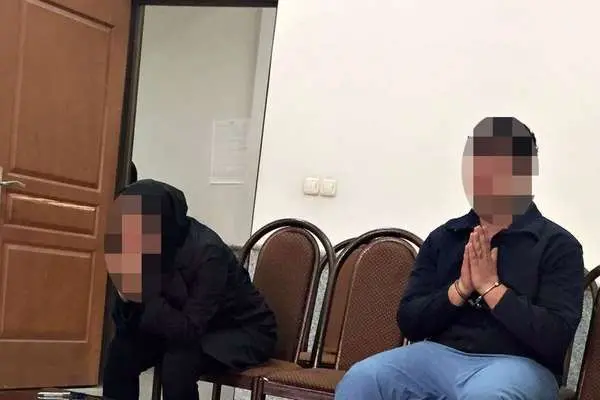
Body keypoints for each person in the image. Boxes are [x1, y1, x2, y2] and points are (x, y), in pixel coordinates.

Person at [335, 117, 584, 400]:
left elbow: (555, 339)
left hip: (520, 364)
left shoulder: (558, 245)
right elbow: (410, 322)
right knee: (363, 379)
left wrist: (492, 289)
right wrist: (460, 289)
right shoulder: (446, 237)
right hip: (438, 356)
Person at [102, 179, 277, 400]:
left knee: (178, 363)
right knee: (122, 352)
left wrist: (145, 296)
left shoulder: (208, 254)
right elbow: (127, 326)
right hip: (178, 323)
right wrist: (126, 300)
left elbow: (190, 330)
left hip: (240, 329)